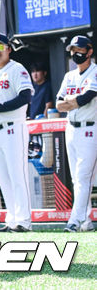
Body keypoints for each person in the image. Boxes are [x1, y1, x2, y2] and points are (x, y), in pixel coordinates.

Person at [0, 33, 34, 232]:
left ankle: (24, 220)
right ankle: (12, 218)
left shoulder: (17, 69)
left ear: (8, 48)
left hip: (13, 127)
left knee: (17, 174)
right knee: (3, 176)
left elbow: (25, 96)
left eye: (0, 46)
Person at [56, 35, 96, 233]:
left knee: (82, 176)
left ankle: (75, 220)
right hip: (70, 127)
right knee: (76, 178)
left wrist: (71, 102)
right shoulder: (69, 76)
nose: (75, 53)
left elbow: (87, 98)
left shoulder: (95, 71)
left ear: (89, 51)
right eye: (73, 50)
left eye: (79, 50)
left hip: (90, 128)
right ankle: (86, 220)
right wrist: (73, 101)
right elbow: (58, 103)